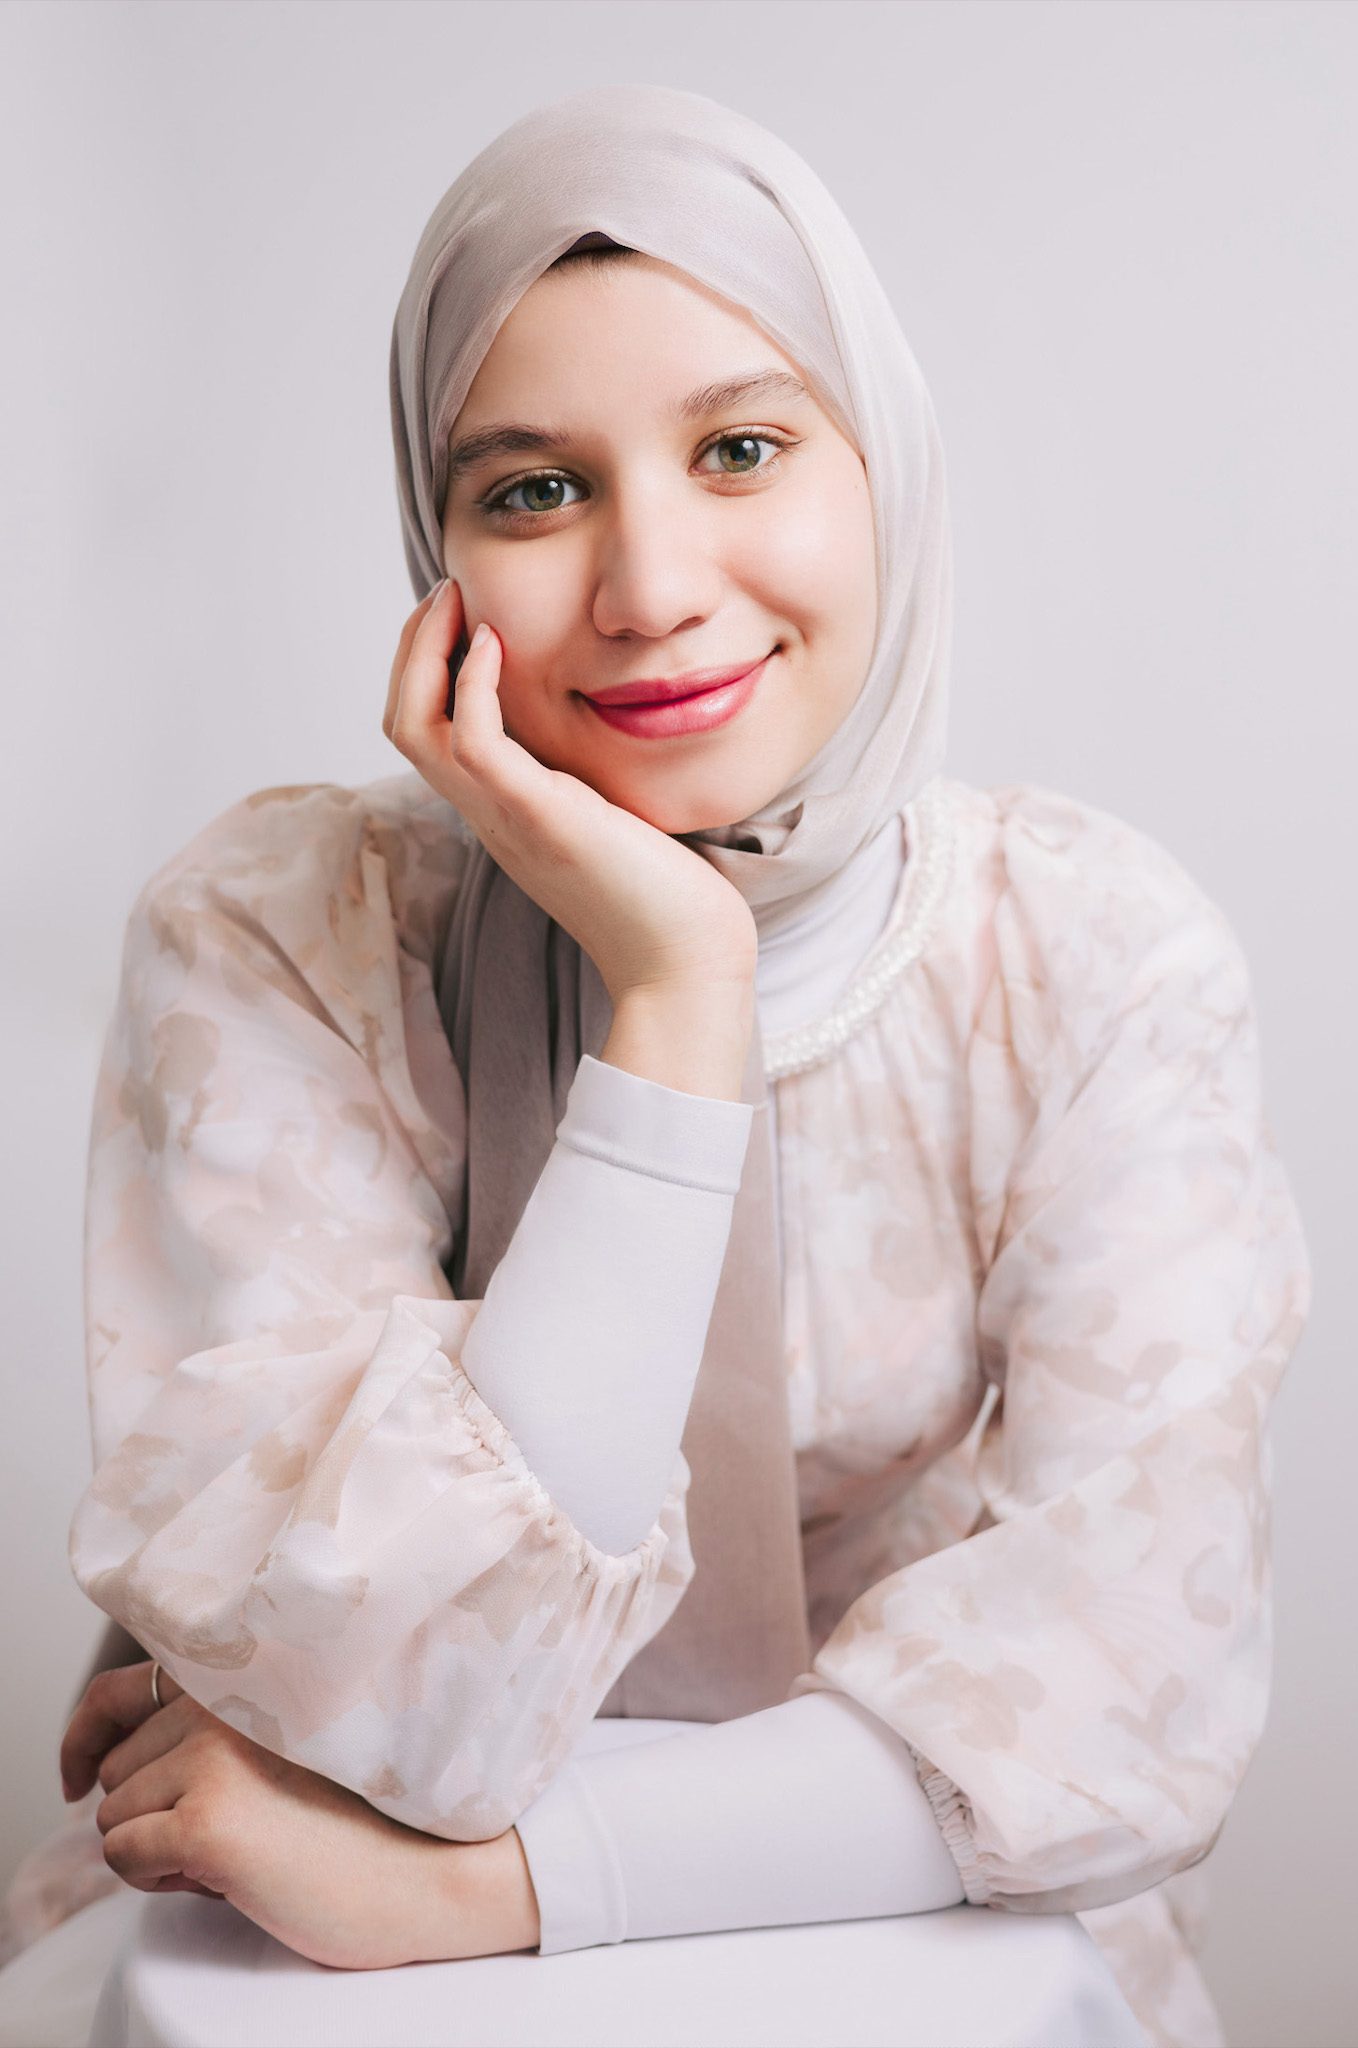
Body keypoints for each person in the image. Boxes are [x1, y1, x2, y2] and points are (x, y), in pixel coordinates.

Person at [1, 84, 1310, 2048]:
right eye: (533, 490)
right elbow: (384, 1699)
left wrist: (492, 1888)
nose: (648, 587)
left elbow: (1117, 1700)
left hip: (915, 1943)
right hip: (290, 1949)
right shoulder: (282, 932)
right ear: (436, 541)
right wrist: (678, 998)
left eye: (741, 449)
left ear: (886, 468)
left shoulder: (1090, 957)